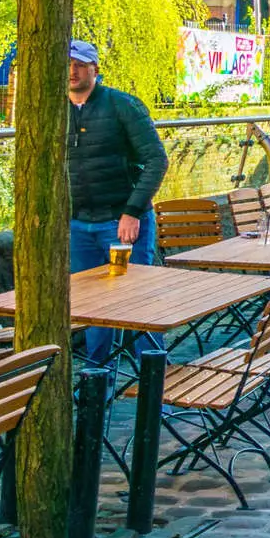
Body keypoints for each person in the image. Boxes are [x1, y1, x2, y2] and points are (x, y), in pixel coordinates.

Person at [66, 39, 168, 362]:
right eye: (68, 64)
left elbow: (156, 160)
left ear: (95, 69)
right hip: (79, 226)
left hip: (120, 225)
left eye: (80, 64)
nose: (73, 70)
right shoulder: (54, 111)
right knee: (94, 309)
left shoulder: (122, 106)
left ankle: (155, 397)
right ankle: (98, 392)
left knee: (137, 303)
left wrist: (132, 211)